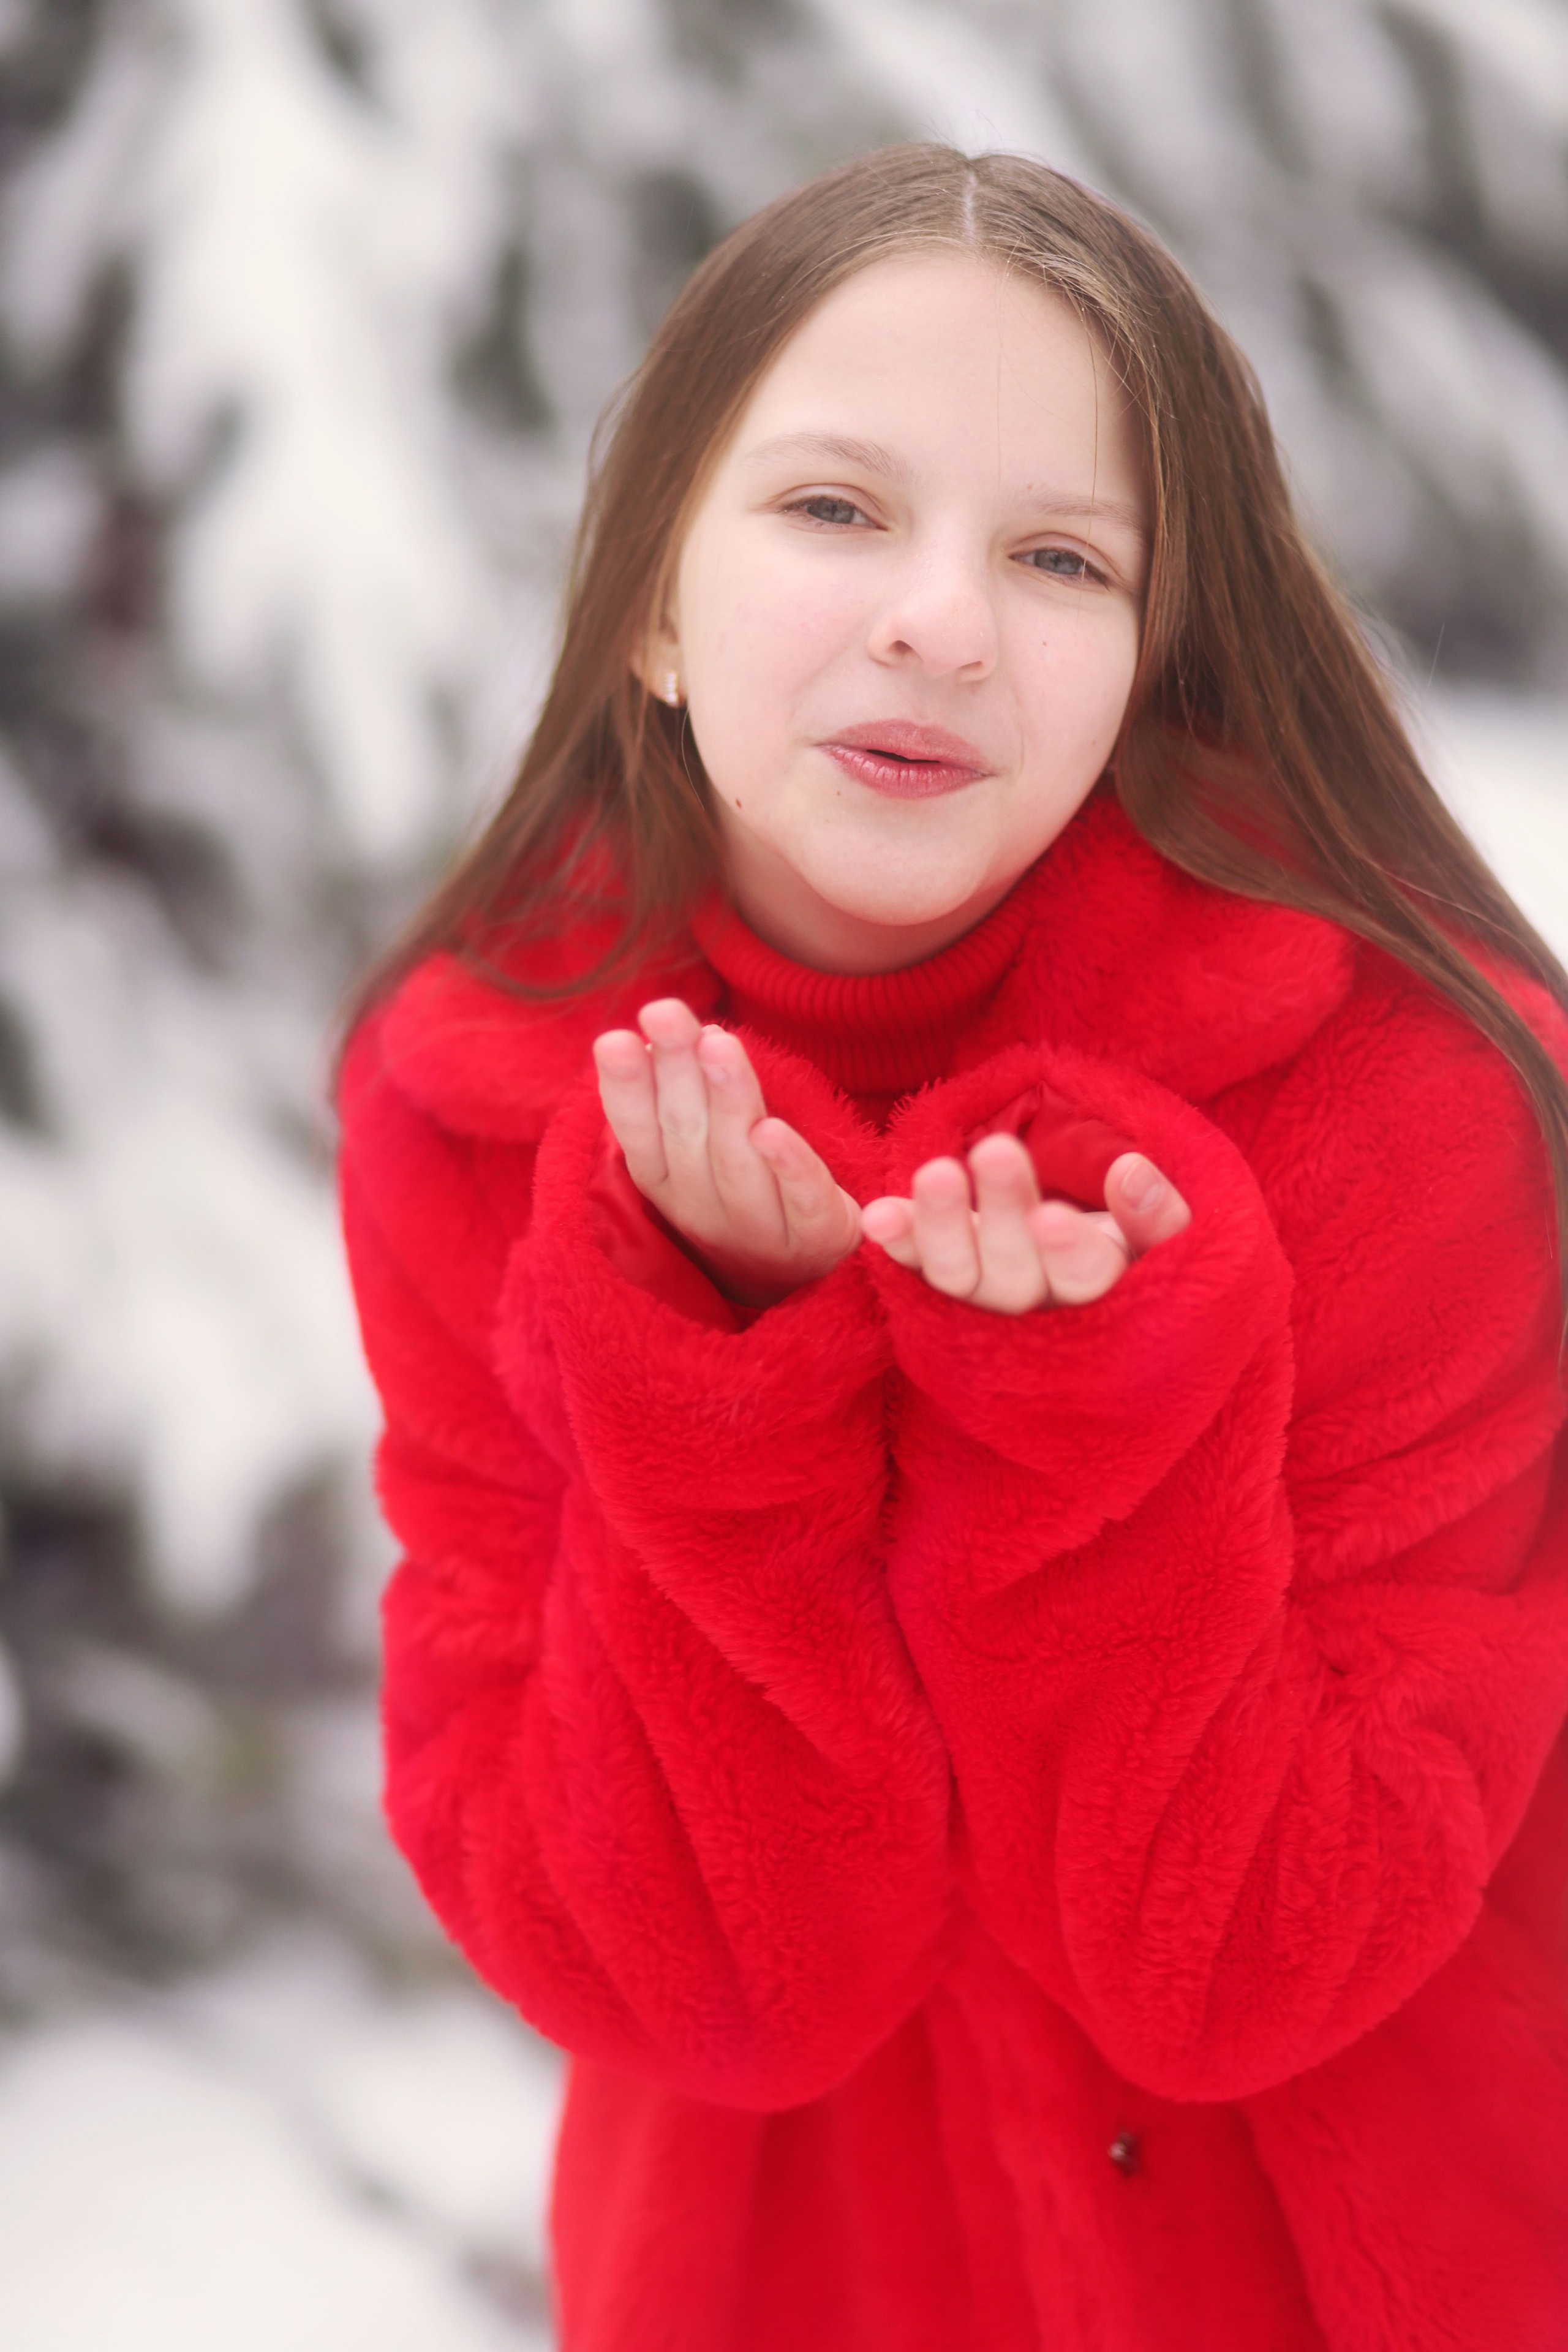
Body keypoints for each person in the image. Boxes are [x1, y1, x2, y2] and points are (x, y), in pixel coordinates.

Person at [336, 146, 1568, 2350]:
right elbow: (673, 1984)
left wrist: (1103, 1433)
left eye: (1061, 555)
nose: (943, 621)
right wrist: (717, 1393)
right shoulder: (482, 1110)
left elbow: (1254, 1960)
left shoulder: (1408, 1096)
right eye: (832, 510)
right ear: (647, 598)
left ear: (1147, 651)